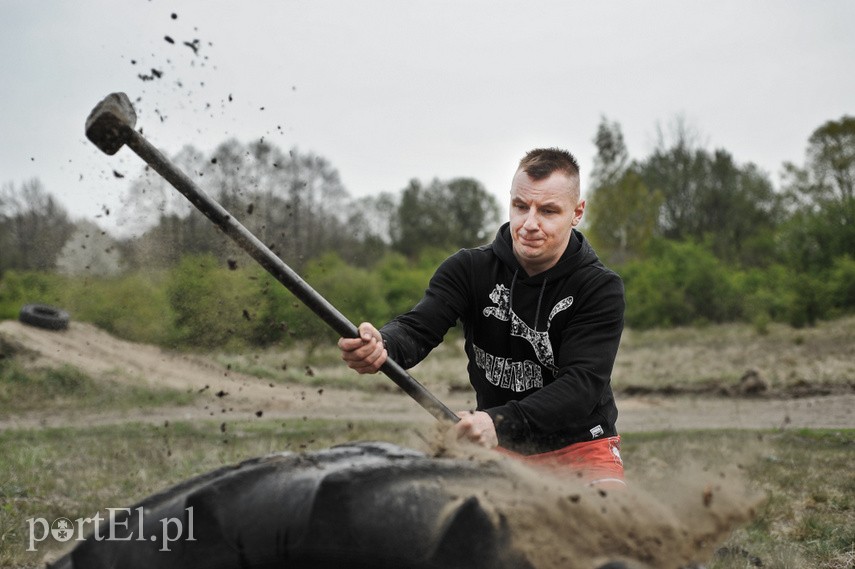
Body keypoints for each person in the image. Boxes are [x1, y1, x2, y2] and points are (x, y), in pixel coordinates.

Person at [338, 148, 626, 486]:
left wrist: (497, 422)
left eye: (548, 211)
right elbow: (417, 329)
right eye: (521, 206)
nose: (529, 224)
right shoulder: (468, 269)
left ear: (576, 212)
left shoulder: (599, 287)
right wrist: (383, 345)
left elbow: (580, 387)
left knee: (605, 519)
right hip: (499, 447)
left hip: (581, 447)